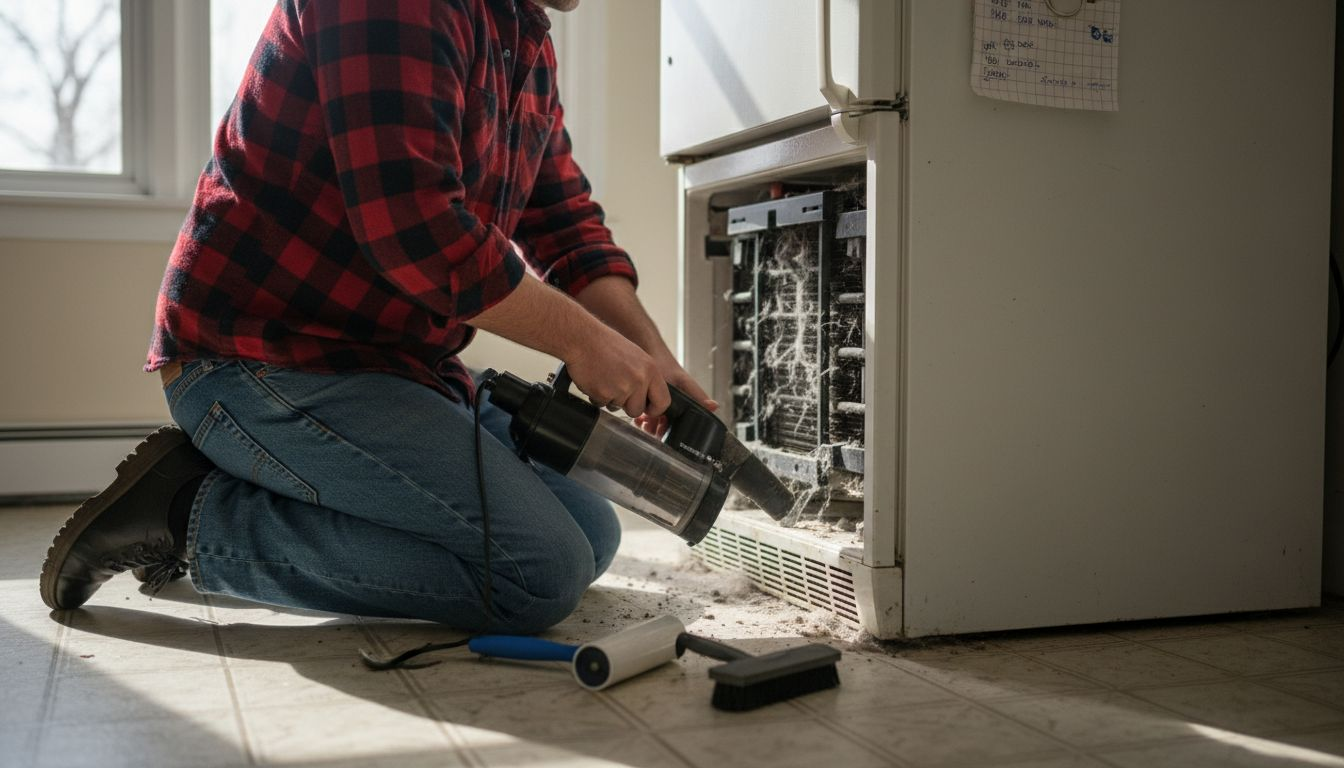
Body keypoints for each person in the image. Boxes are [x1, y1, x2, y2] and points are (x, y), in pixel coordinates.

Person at [38, 0, 713, 635]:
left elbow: (566, 229)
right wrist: (586, 344)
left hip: (397, 364)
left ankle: (286, 481)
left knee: (590, 533)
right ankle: (186, 513)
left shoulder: (518, 33)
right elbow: (415, 228)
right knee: (538, 574)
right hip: (262, 356)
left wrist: (656, 360)